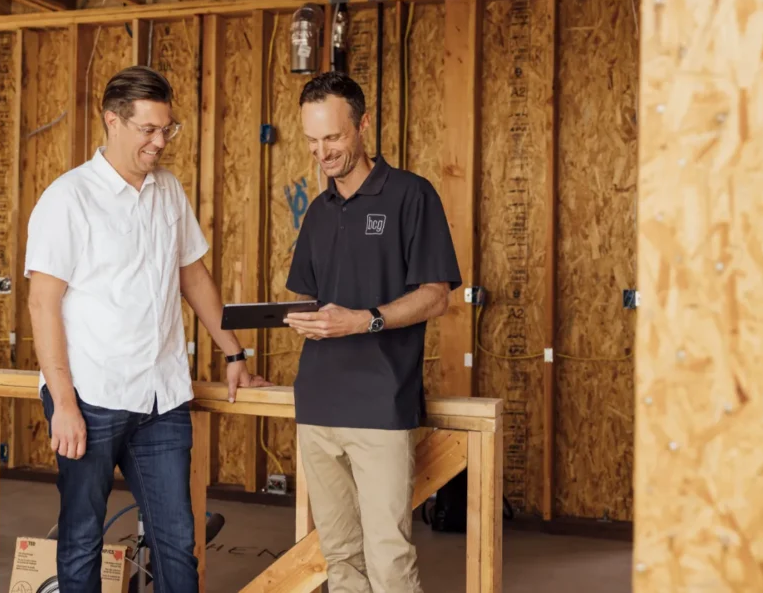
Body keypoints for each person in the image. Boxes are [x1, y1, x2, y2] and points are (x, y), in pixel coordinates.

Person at [24, 65, 271, 592]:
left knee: (177, 543)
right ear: (112, 121)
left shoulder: (167, 191)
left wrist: (234, 353)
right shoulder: (68, 199)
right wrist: (63, 403)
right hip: (91, 397)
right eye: (148, 130)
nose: (160, 142)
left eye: (168, 129)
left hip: (162, 399)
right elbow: (43, 304)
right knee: (82, 539)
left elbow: (194, 277)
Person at [283, 71, 462, 592]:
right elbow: (309, 298)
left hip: (381, 406)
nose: (323, 152)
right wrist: (304, 319)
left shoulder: (411, 195)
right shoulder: (318, 212)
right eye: (313, 141)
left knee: (388, 557)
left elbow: (437, 294)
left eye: (333, 138)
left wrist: (364, 320)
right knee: (340, 558)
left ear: (363, 125)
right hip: (317, 406)